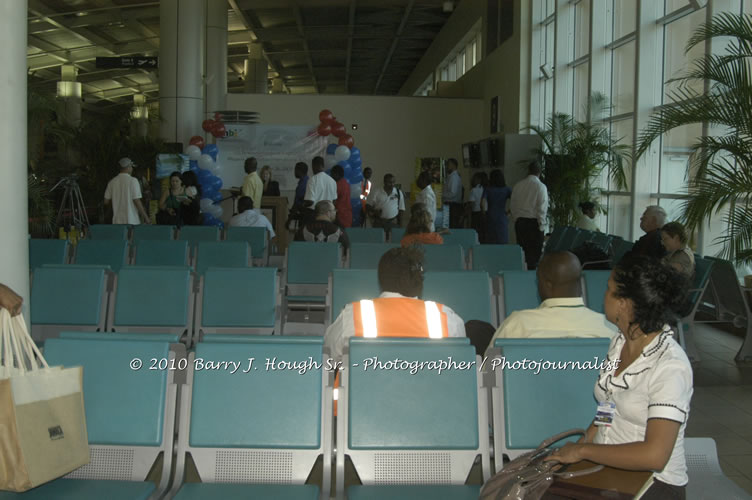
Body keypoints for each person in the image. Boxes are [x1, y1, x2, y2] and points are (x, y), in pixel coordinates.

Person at [546, 255, 692, 500]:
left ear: (624, 303)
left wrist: (583, 451)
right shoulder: (620, 341)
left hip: (654, 483)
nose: (604, 294)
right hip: (610, 471)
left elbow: (655, 455)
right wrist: (581, 445)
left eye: (609, 289)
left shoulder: (670, 366)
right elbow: (609, 404)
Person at [324, 246, 466, 360]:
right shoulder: (447, 318)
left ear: (381, 279)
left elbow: (328, 352)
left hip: (366, 394)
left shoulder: (353, 315)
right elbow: (459, 362)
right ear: (419, 281)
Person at [486, 252, 615, 350]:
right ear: (579, 284)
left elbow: (490, 374)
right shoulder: (610, 328)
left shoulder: (517, 325)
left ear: (546, 284)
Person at [510, 160, 549, 269]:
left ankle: (522, 275)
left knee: (522, 253)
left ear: (528, 171)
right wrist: (541, 226)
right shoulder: (541, 187)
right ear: (539, 172)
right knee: (534, 256)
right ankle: (531, 275)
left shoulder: (518, 185)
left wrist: (516, 219)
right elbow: (542, 208)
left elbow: (513, 204)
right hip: (534, 224)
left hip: (520, 222)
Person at [104, 157, 150, 225]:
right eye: (131, 167)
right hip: (131, 221)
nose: (132, 169)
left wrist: (117, 200)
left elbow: (106, 202)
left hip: (117, 221)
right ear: (128, 167)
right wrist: (146, 218)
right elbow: (137, 201)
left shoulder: (112, 182)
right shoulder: (133, 181)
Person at [366, 173, 405, 238]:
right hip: (379, 222)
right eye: (389, 182)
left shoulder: (398, 192)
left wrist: (401, 226)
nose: (392, 184)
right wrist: (374, 211)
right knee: (377, 240)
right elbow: (367, 205)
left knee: (393, 242)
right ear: (384, 182)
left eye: (393, 182)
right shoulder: (376, 191)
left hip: (393, 222)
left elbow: (401, 209)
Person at [485, 169, 513, 244]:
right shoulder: (507, 189)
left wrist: (484, 213)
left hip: (490, 216)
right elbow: (516, 201)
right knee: (502, 241)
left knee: (490, 242)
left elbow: (482, 203)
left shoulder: (488, 189)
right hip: (502, 217)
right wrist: (509, 213)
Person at [286, 161, 310, 230]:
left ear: (299, 171)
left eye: (295, 169)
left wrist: (289, 220)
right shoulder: (308, 181)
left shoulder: (302, 185)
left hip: (304, 217)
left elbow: (296, 204)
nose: (294, 172)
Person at [442, 158, 463, 228]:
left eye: (448, 164)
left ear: (454, 165)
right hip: (450, 205)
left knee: (452, 226)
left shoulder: (454, 177)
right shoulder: (451, 176)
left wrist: (441, 195)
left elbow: (453, 193)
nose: (447, 166)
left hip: (453, 206)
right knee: (449, 226)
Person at [467, 172, 487, 243]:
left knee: (476, 235)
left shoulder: (474, 190)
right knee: (484, 234)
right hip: (486, 213)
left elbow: (471, 204)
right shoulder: (487, 189)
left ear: (478, 180)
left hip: (476, 215)